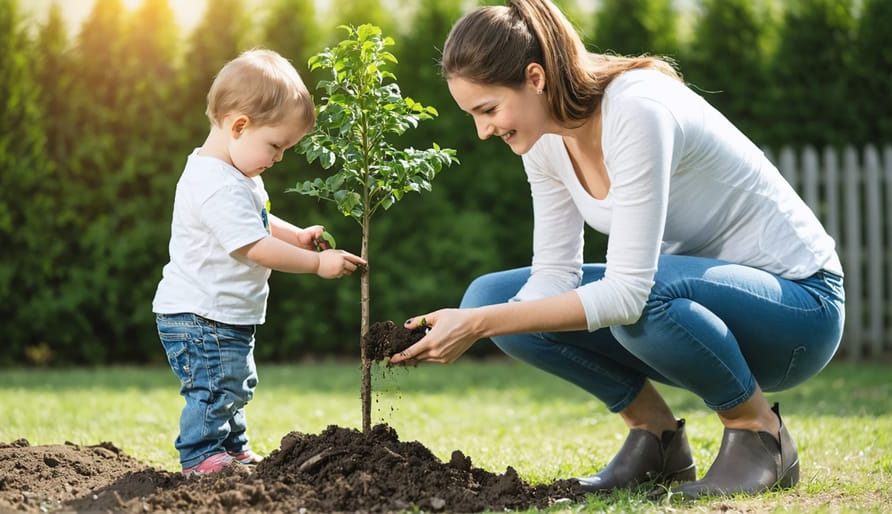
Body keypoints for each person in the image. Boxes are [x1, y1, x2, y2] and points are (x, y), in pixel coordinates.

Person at [389, 0, 845, 500]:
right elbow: (552, 276)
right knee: (490, 296)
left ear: (535, 77)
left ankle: (760, 435)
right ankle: (657, 439)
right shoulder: (544, 138)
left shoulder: (636, 107)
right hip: (700, 313)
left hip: (800, 309)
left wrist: (481, 326)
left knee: (634, 298)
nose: (483, 130)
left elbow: (628, 294)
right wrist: (482, 319)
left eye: (488, 109)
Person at [152, 49, 367, 477]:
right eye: (276, 145)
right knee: (216, 386)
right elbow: (252, 245)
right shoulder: (216, 184)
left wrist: (298, 236)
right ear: (238, 126)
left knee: (235, 381)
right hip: (201, 314)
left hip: (219, 312)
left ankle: (232, 450)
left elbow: (260, 223)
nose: (280, 157)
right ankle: (200, 457)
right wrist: (315, 265)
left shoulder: (237, 176)